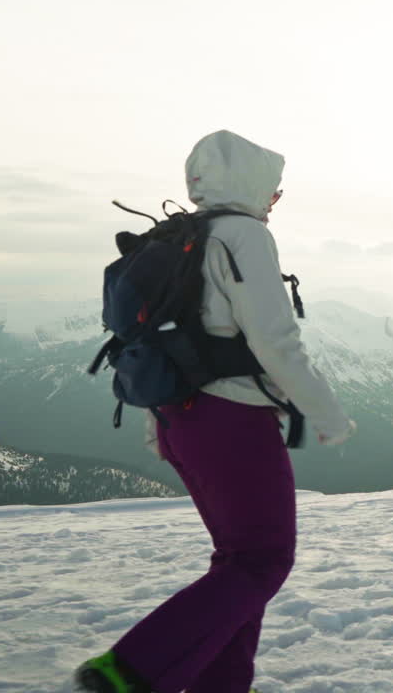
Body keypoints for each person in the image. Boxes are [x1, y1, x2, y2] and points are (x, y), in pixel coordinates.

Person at [75, 130, 356, 693]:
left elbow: (171, 333)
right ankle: (127, 669)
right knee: (262, 562)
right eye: (274, 189)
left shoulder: (186, 236)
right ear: (253, 183)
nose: (275, 200)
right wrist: (327, 415)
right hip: (232, 422)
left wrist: (160, 423)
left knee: (238, 564)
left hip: (184, 420)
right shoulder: (243, 236)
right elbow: (276, 341)